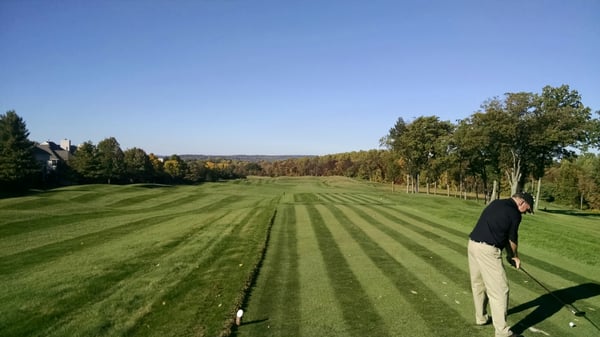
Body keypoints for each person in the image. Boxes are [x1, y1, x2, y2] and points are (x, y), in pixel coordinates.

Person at [467, 191, 534, 337]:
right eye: (527, 209)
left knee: (478, 284)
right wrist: (514, 256)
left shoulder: (497, 203)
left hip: (472, 245)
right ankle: (503, 333)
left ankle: (481, 317)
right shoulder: (515, 213)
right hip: (488, 250)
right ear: (521, 202)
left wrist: (510, 255)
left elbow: (497, 228)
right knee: (500, 290)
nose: (526, 213)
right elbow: (512, 239)